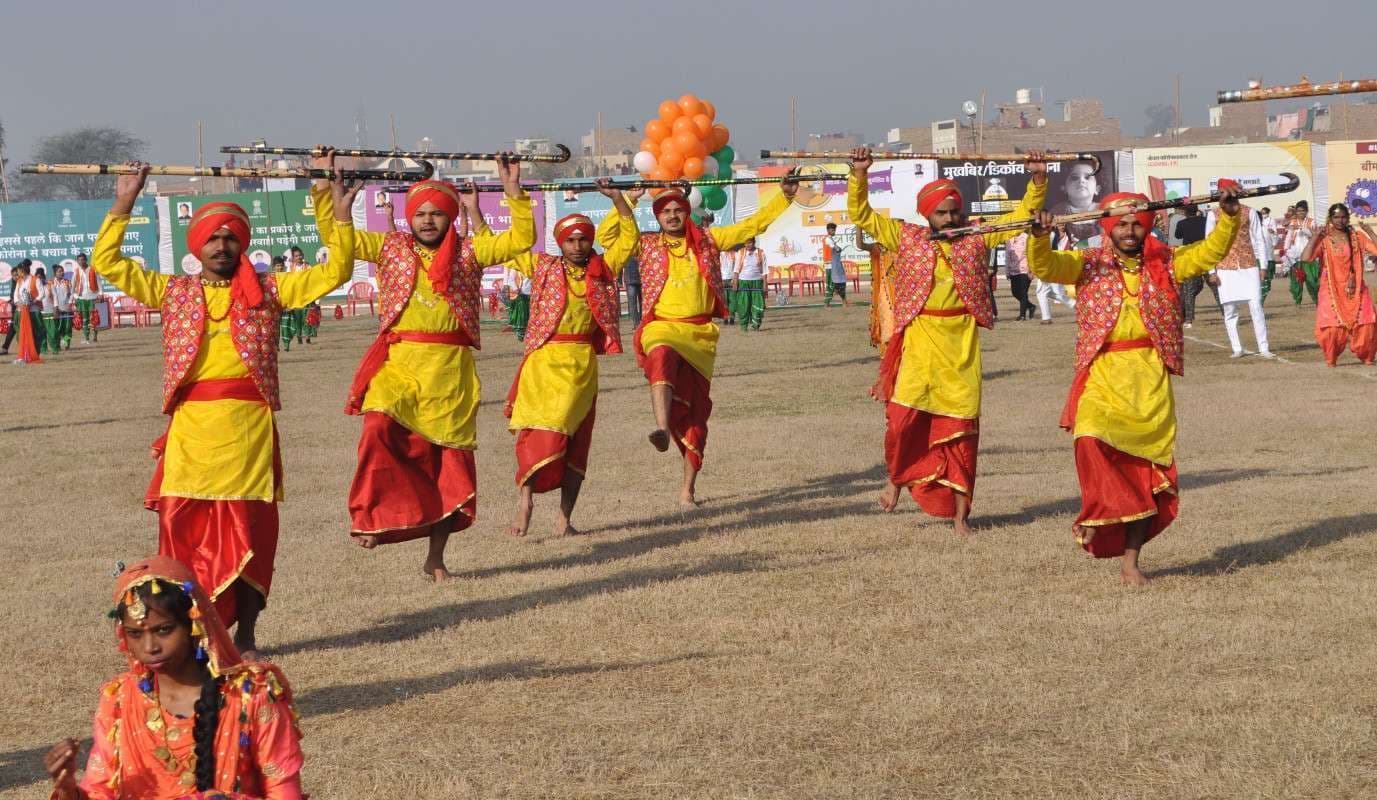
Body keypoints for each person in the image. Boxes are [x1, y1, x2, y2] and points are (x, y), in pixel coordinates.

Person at [93, 161, 358, 653]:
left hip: (248, 428)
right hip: (192, 429)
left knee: (249, 530)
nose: (221, 246)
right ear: (198, 246)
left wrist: (335, 213)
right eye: (212, 238)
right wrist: (124, 202)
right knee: (181, 527)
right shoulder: (174, 291)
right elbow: (109, 264)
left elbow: (336, 270)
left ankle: (249, 634)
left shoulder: (272, 291)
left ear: (243, 244)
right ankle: (189, 627)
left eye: (230, 237)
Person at [309, 149, 534, 581]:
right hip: (398, 365)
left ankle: (436, 557)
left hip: (450, 373)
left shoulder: (471, 253)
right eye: (421, 213)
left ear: (451, 219)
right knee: (376, 428)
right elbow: (339, 241)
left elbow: (520, 238)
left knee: (445, 469)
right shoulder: (390, 248)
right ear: (409, 218)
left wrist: (512, 191)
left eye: (437, 214)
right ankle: (372, 515)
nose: (428, 220)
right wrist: (325, 192)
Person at [1024, 185, 1243, 584]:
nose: (1128, 231)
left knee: (1145, 475)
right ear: (1108, 228)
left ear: (1147, 226)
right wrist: (1039, 238)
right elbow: (1046, 267)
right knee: (1089, 442)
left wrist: (1229, 217)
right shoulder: (1086, 263)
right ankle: (1097, 511)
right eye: (1121, 224)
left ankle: (1130, 563)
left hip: (1149, 380)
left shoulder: (1168, 261)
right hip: (1102, 375)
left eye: (1136, 224)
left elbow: (1210, 252)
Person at [849, 146, 1047, 536]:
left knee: (960, 435)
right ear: (928, 215)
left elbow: (1020, 218)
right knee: (902, 425)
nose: (951, 218)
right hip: (919, 346)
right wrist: (859, 174)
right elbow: (862, 215)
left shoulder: (977, 235)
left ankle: (960, 518)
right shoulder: (905, 236)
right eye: (943, 213)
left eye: (955, 211)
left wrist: (1038, 181)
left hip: (961, 349)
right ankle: (898, 477)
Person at [44, 556, 305, 800]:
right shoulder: (120, 702)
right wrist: (69, 792)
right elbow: (100, 790)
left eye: (164, 630)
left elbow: (284, 791)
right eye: (135, 634)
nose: (150, 646)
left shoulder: (253, 694)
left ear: (195, 624)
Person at [632, 180, 799, 506]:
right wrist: (624, 198)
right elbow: (615, 237)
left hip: (700, 336)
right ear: (657, 217)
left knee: (696, 418)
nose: (672, 216)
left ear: (688, 212)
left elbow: (751, 225)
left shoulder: (708, 241)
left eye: (678, 210)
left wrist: (785, 197)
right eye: (665, 211)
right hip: (662, 326)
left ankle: (687, 490)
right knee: (661, 355)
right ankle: (662, 429)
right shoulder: (647, 245)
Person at [500, 185, 639, 537]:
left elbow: (629, 236)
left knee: (577, 442)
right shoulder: (543, 267)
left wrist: (619, 200)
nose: (577, 246)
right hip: (543, 364)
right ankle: (525, 502)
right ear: (560, 243)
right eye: (569, 240)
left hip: (581, 366)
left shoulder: (604, 268)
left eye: (582, 240)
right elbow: (506, 248)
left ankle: (564, 519)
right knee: (539, 436)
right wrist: (474, 212)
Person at [1299, 204, 1377, 366]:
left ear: (1348, 218)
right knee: (1331, 328)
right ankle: (1331, 358)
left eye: (1343, 217)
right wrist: (1314, 237)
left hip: (1354, 289)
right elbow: (1305, 258)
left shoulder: (1357, 237)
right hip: (1331, 289)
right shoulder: (1325, 239)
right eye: (1336, 217)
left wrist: (1370, 232)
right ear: (1330, 219)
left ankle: (1367, 356)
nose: (1340, 220)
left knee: (1367, 323)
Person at [1206, 181, 1273, 358]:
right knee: (1230, 311)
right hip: (1225, 267)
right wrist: (1211, 271)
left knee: (1256, 305)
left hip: (1248, 264)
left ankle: (1264, 348)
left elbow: (1259, 240)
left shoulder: (1249, 211)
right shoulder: (1213, 214)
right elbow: (1208, 244)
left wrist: (1263, 265)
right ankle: (1237, 348)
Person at [856, 226, 896, 348]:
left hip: (901, 293)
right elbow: (860, 245)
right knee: (888, 326)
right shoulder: (878, 247)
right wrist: (859, 226)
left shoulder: (901, 246)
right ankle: (888, 357)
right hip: (885, 294)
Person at [1051, 159, 1103, 243]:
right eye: (1074, 178)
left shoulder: (1103, 208)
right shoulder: (1058, 210)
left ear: (1097, 189)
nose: (1081, 181)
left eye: (1087, 177)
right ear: (1064, 188)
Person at [1173, 204, 1207, 328]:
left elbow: (1178, 236)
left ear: (1185, 213)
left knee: (1188, 291)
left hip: (1191, 258)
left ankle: (1188, 320)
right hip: (1205, 255)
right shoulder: (1205, 221)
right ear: (1197, 211)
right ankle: (1226, 314)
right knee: (1215, 288)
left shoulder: (1182, 223)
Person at [1285, 201, 1320, 307]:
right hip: (1295, 256)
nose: (1300, 213)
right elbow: (1289, 236)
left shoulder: (1311, 222)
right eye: (1299, 211)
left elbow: (1313, 234)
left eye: (1303, 211)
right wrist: (1285, 250)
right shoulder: (1293, 222)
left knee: (1311, 280)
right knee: (1296, 281)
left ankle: (1316, 300)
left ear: (1306, 211)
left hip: (1309, 255)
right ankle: (1297, 301)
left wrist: (1302, 229)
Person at [7, 261, 44, 364]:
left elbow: (42, 293)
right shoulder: (19, 281)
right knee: (20, 333)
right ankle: (23, 354)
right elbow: (15, 295)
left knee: (37, 333)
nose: (18, 273)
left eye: (18, 271)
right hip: (21, 311)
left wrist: (33, 301)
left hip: (33, 311)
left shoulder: (35, 280)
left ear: (22, 270)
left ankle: (35, 353)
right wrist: (18, 303)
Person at [731, 237, 768, 331]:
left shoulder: (761, 252)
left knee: (758, 305)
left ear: (754, 242)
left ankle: (756, 326)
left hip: (757, 282)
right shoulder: (741, 252)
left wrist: (764, 285)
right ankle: (744, 327)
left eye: (750, 243)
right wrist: (735, 283)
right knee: (744, 305)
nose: (747, 245)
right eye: (746, 243)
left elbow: (764, 270)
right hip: (743, 282)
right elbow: (736, 269)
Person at [1004, 233, 1036, 321]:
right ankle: (1031, 306)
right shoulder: (1009, 239)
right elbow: (1007, 256)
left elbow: (1031, 254)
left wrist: (1031, 270)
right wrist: (1007, 271)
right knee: (1015, 292)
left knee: (1023, 292)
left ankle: (1022, 316)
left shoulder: (1026, 237)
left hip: (1025, 270)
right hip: (1013, 271)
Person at [72, 253, 102, 343]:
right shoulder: (76, 271)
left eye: (82, 260)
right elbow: (73, 285)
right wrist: (74, 296)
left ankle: (95, 336)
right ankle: (86, 338)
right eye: (79, 260)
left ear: (86, 260)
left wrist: (100, 293)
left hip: (92, 297)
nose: (81, 262)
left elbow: (99, 282)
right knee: (84, 318)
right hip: (81, 298)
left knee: (94, 318)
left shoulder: (93, 270)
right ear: (77, 261)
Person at [822, 222, 849, 307]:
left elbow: (836, 248)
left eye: (834, 230)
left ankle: (843, 301)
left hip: (835, 265)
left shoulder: (831, 239)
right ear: (828, 230)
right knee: (832, 284)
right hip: (830, 266)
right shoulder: (827, 239)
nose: (834, 232)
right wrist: (839, 248)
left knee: (840, 283)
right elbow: (836, 248)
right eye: (832, 230)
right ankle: (827, 303)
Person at [51, 264, 74, 350]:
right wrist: (55, 308)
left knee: (67, 328)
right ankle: (58, 345)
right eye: (59, 271)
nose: (62, 273)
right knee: (58, 328)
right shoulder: (51, 283)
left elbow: (72, 294)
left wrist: (69, 303)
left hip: (66, 308)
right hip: (56, 309)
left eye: (62, 271)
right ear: (55, 273)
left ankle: (67, 344)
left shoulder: (67, 282)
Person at [622, 253, 643, 326]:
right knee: (637, 303)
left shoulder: (626, 251)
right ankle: (639, 323)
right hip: (634, 279)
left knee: (634, 303)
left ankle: (638, 323)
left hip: (634, 279)